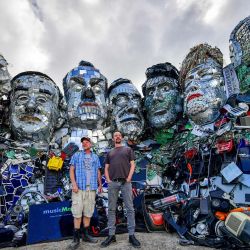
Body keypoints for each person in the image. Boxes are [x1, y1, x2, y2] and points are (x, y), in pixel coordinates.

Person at [101, 131, 141, 248]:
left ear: (122, 138)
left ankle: (131, 235)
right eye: (115, 135)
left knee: (130, 208)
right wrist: (108, 180)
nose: (117, 137)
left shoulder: (128, 150)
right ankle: (111, 235)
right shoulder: (110, 153)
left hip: (125, 182)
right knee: (112, 209)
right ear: (113, 139)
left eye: (119, 135)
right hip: (113, 183)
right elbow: (106, 167)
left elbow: (133, 165)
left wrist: (129, 178)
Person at [69, 136, 103, 249]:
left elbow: (98, 171)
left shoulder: (95, 157)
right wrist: (73, 184)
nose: (84, 143)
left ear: (91, 144)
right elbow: (71, 170)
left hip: (91, 188)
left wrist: (100, 185)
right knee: (77, 213)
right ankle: (75, 239)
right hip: (79, 189)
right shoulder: (76, 155)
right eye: (83, 142)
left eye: (87, 142)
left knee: (88, 212)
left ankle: (86, 235)